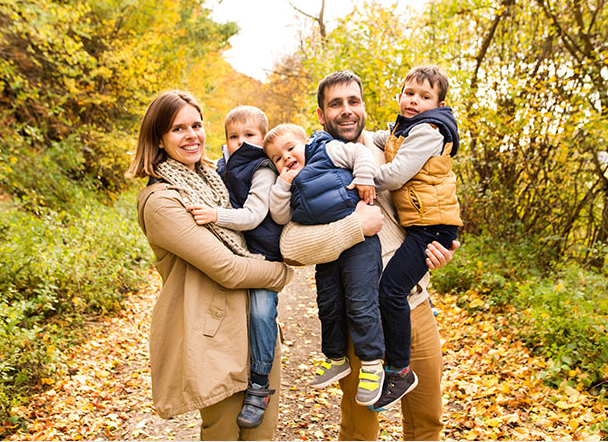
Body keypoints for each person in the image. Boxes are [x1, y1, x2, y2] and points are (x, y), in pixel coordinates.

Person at [279, 71, 459, 441]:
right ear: (321, 114)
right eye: (336, 104)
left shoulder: (394, 151)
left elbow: (430, 211)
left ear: (364, 106)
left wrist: (439, 250)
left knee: (427, 420)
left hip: (414, 306)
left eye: (353, 101)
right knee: (360, 428)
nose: (346, 111)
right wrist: (355, 227)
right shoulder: (309, 165)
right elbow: (290, 246)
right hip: (359, 319)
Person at [125, 90, 293, 440]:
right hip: (217, 339)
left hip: (257, 328)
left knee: (264, 435)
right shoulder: (162, 202)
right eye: (177, 129)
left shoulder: (217, 179)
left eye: (196, 125)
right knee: (223, 432)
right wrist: (282, 271)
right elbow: (228, 269)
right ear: (158, 138)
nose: (191, 136)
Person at [264, 123, 389, 407]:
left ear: (305, 142)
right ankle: (335, 357)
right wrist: (283, 184)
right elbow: (281, 217)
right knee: (328, 304)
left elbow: (360, 154)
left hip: (361, 244)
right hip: (330, 251)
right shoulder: (289, 184)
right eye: (277, 158)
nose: (286, 158)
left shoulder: (327, 150)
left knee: (360, 302)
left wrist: (364, 178)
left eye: (290, 148)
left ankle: (371, 363)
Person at [184, 105, 284, 429]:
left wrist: (216, 215)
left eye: (249, 135)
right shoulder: (222, 165)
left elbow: (254, 215)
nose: (240, 142)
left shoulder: (263, 169)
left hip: (265, 255)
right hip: (240, 251)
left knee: (260, 312)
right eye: (233, 136)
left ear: (263, 138)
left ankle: (259, 384)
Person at [371, 64, 462, 411]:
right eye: (410, 93)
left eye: (425, 97)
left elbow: (396, 174)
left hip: (433, 228)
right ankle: (395, 364)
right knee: (394, 286)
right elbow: (383, 140)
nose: (414, 101)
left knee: (391, 288)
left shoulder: (428, 131)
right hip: (424, 224)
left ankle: (398, 370)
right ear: (400, 95)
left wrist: (363, 179)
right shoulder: (405, 128)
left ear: (438, 105)